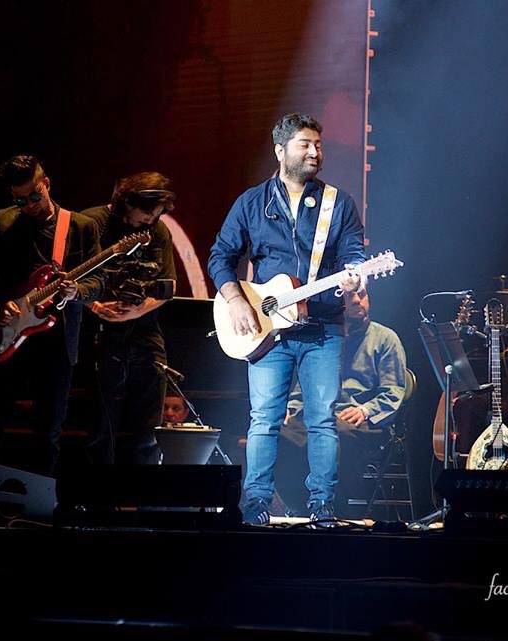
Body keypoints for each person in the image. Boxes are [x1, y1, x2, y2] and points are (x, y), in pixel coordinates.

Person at [208, 113, 366, 525]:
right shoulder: (252, 202)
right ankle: (256, 503)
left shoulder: (338, 203)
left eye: (318, 145)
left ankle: (322, 504)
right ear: (280, 151)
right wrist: (236, 300)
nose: (315, 152)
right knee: (264, 419)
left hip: (323, 327)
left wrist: (355, 274)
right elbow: (220, 256)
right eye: (305, 144)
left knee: (322, 419)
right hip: (268, 330)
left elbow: (353, 252)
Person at [0, 154, 104, 476]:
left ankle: (40, 499)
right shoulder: (3, 221)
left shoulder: (80, 226)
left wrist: (77, 291)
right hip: (5, 332)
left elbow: (100, 280)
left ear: (47, 184)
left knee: (49, 429)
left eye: (34, 196)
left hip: (56, 340)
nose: (28, 205)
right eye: (20, 200)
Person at [282, 287, 408, 515]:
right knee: (280, 433)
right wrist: (290, 409)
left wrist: (365, 410)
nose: (358, 300)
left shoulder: (385, 339)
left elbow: (393, 392)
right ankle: (298, 506)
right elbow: (304, 389)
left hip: (363, 421)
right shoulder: (323, 339)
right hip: (322, 417)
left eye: (363, 295)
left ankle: (332, 508)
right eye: (350, 296)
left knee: (329, 434)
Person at [81, 172, 178, 465]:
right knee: (101, 423)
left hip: (144, 331)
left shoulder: (158, 230)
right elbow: (70, 280)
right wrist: (96, 306)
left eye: (157, 215)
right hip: (98, 331)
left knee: (149, 427)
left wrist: (136, 310)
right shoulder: (91, 222)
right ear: (128, 202)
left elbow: (168, 288)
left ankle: (144, 488)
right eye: (147, 212)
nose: (151, 219)